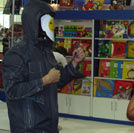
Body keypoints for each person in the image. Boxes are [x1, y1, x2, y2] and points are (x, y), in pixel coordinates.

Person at [2, 0, 85, 133]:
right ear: (34, 21)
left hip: (49, 126)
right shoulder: (16, 55)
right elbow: (12, 91)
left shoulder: (46, 52)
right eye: (47, 21)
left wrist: (74, 63)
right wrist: (44, 81)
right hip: (28, 129)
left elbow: (56, 80)